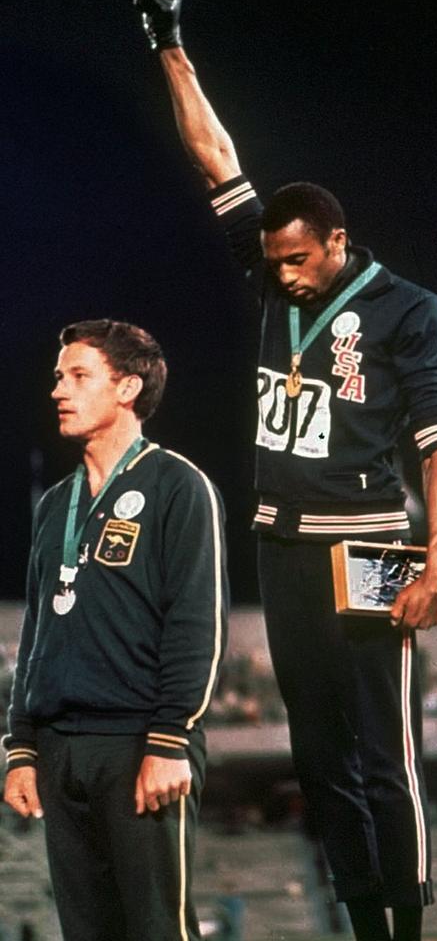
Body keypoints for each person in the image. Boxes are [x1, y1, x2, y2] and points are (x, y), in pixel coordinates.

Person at [133, 0, 437, 941]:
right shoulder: (272, 269)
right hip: (283, 545)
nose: (282, 275)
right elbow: (217, 162)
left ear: (340, 242)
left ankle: (407, 926)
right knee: (317, 757)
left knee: (383, 753)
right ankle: (364, 924)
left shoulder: (411, 311)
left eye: (300, 261)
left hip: (368, 546)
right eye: (274, 262)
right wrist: (171, 46)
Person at [3, 319, 229, 941]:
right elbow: (37, 632)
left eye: (78, 377)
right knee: (86, 932)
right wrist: (21, 747)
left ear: (128, 388)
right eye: (58, 377)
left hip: (140, 745)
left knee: (156, 928)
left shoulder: (180, 487)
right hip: (58, 750)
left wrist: (170, 739)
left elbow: (196, 625)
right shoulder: (55, 505)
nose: (58, 391)